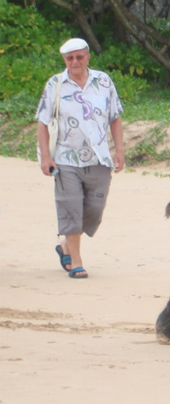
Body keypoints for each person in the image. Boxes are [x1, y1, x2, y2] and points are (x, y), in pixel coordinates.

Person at [35, 38, 125, 279]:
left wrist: (119, 150)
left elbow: (115, 116)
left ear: (87, 57)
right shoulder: (55, 84)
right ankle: (76, 261)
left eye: (79, 56)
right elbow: (43, 123)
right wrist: (45, 157)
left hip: (98, 158)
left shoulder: (103, 81)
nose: (75, 61)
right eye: (69, 58)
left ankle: (65, 244)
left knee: (94, 210)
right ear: (64, 60)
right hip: (65, 159)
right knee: (70, 207)